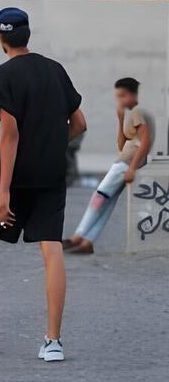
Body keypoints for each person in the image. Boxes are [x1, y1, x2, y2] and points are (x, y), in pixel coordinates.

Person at [0, 8, 87, 363]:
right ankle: (53, 342)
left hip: (17, 175)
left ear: (2, 38)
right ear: (26, 35)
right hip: (52, 174)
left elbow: (8, 135)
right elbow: (80, 123)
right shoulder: (55, 70)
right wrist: (52, 147)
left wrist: (4, 191)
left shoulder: (3, 74)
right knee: (51, 249)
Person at [64, 77, 155, 254]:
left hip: (124, 165)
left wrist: (131, 168)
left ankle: (78, 236)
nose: (119, 101)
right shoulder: (133, 115)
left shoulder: (138, 113)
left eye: (122, 96)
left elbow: (145, 143)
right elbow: (122, 145)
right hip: (124, 161)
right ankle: (88, 241)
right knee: (108, 202)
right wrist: (120, 120)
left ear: (132, 94)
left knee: (98, 198)